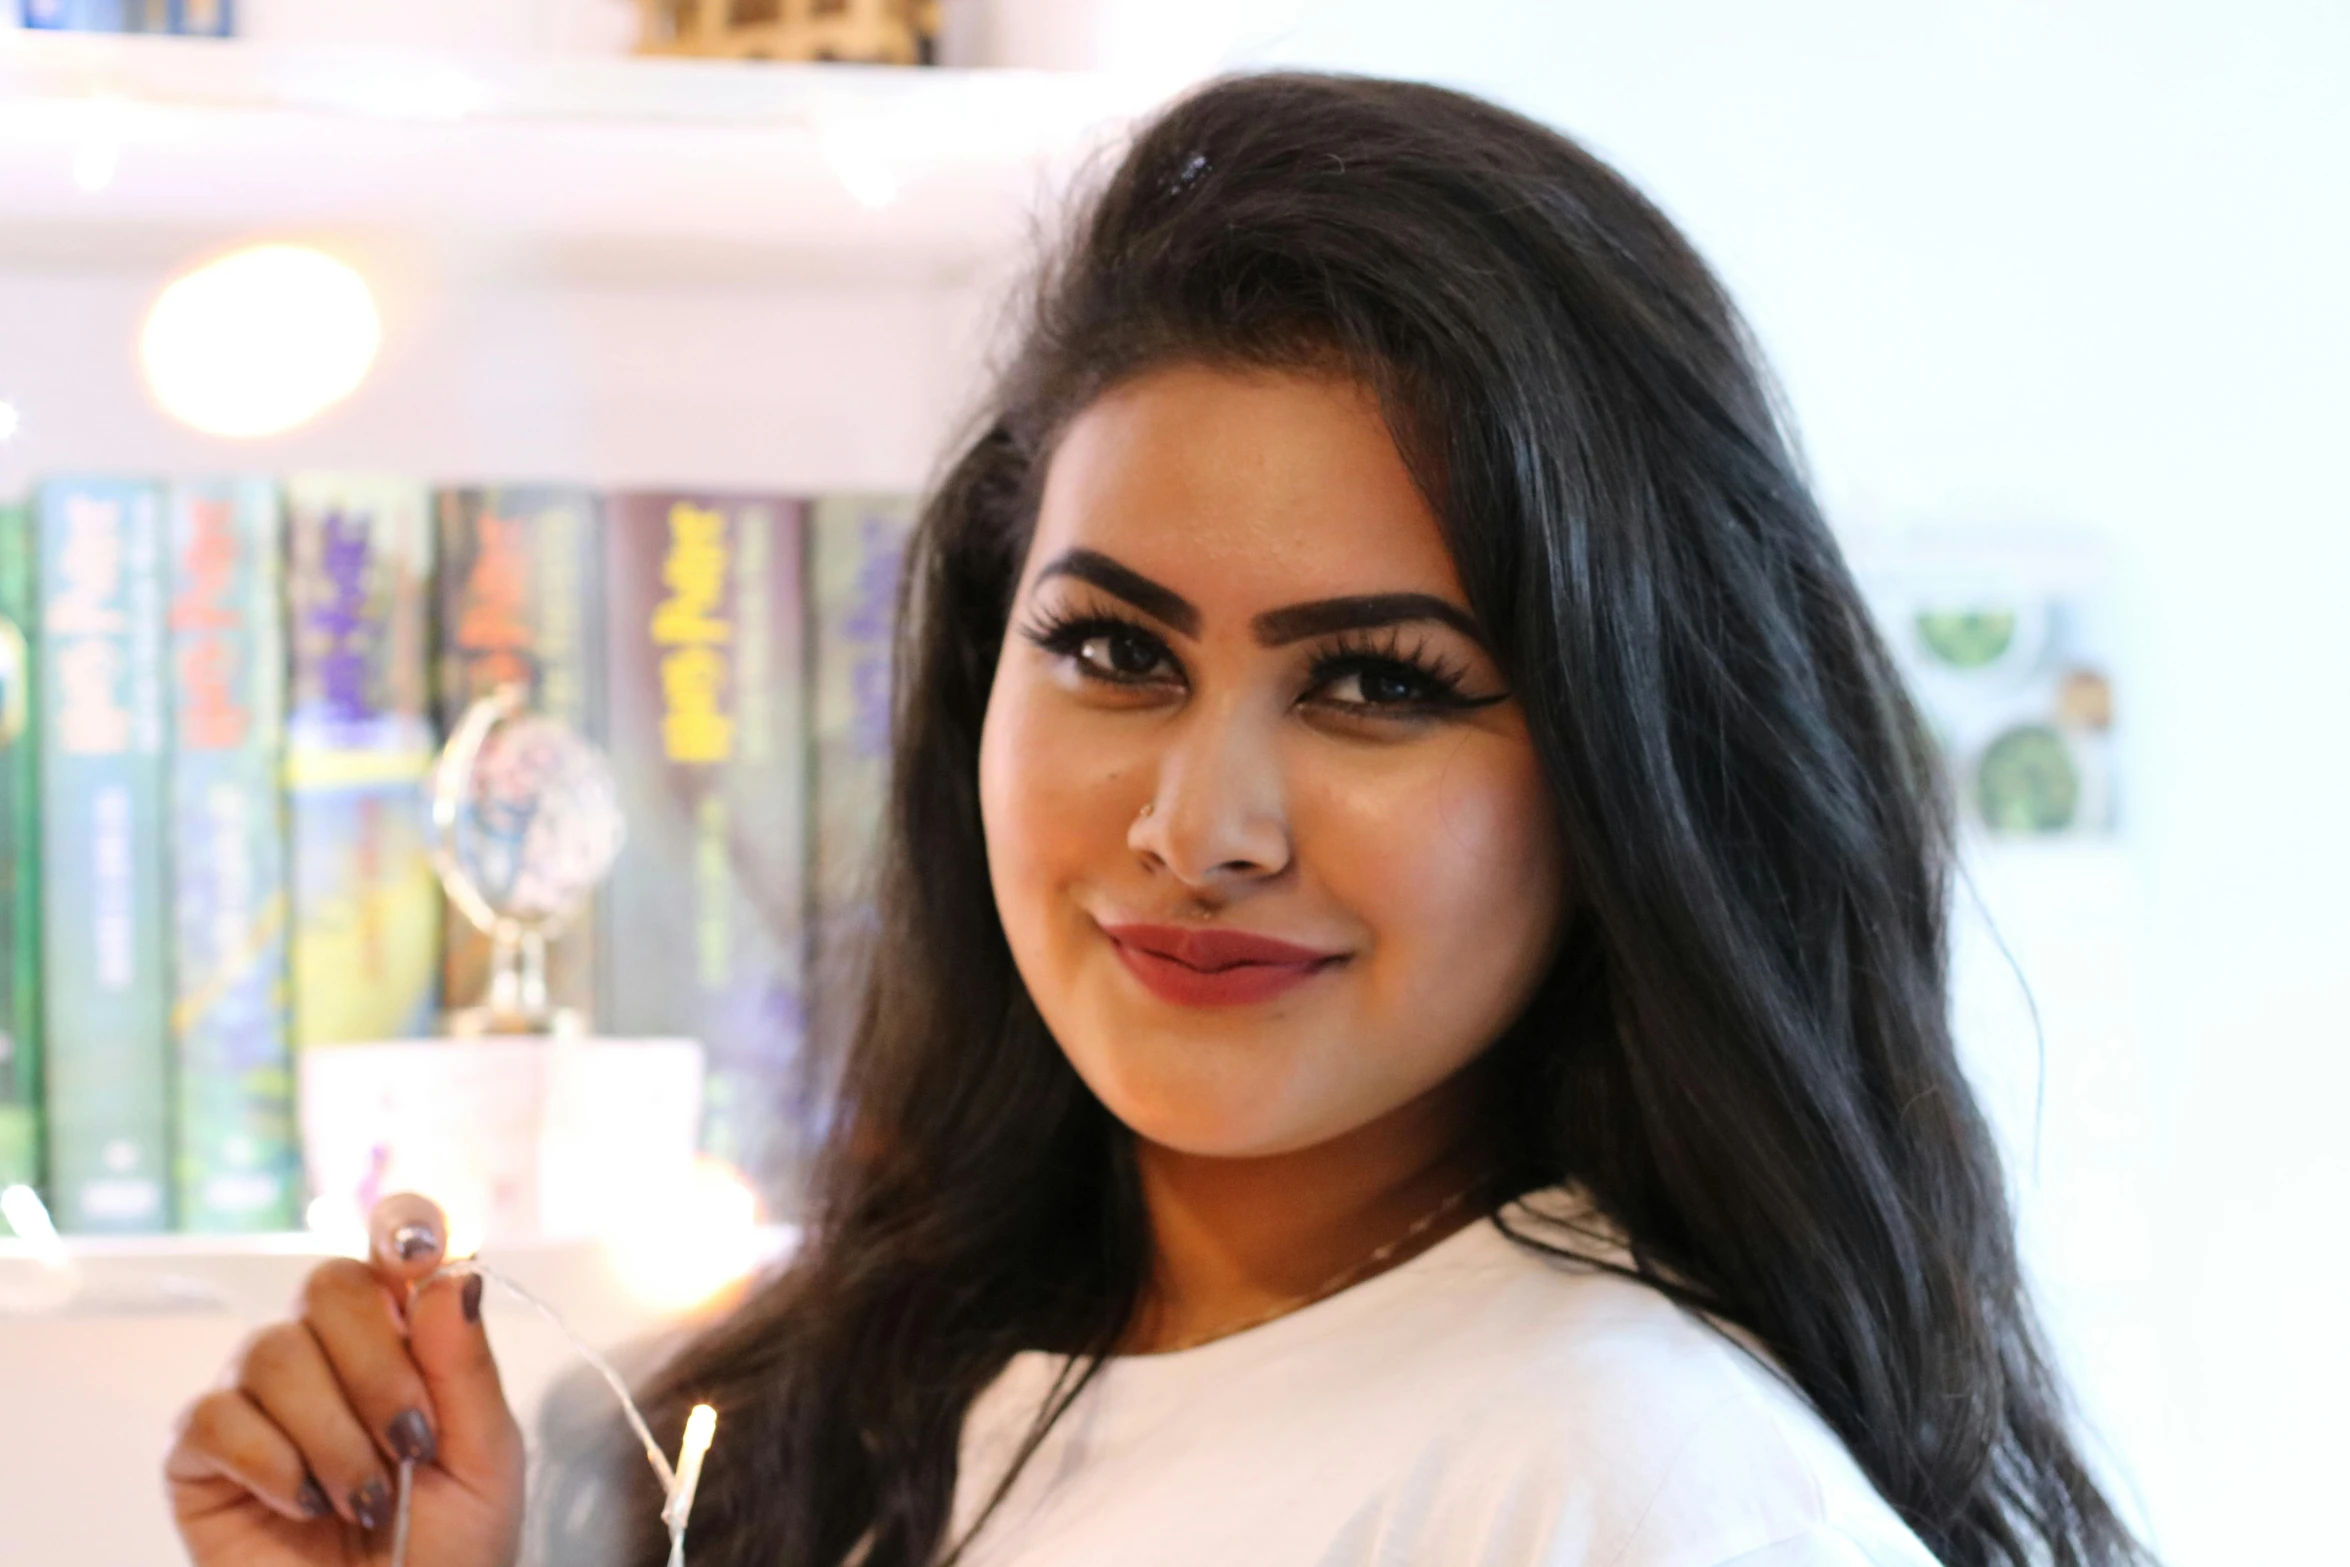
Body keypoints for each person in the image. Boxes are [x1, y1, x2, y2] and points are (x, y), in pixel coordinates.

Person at [164, 72, 2153, 1567]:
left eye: (1375, 682)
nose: (1200, 824)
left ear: (1620, 767)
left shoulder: (1620, 1480)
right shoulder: (834, 1416)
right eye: (1114, 652)